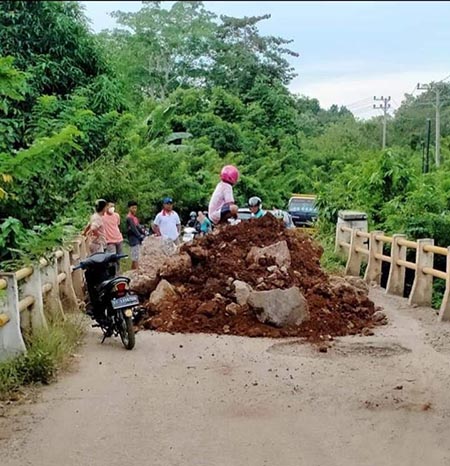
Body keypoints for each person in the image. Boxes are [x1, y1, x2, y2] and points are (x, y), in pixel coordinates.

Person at [126, 200, 146, 270]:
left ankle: (132, 272)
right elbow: (133, 228)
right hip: (133, 239)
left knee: (136, 257)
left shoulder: (134, 218)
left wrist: (144, 233)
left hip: (136, 239)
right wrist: (140, 236)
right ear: (129, 208)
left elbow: (138, 227)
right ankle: (137, 271)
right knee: (136, 258)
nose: (134, 209)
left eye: (135, 208)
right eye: (133, 208)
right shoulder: (129, 217)